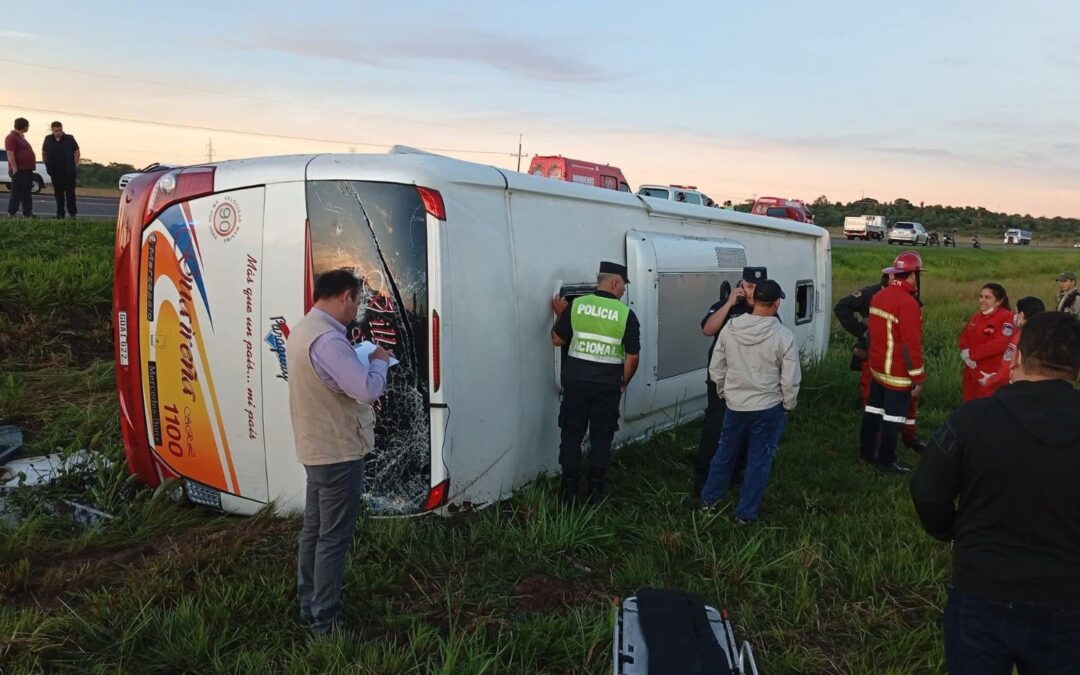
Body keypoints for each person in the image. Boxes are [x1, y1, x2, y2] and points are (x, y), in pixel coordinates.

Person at [910, 312, 1080, 673]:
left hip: (982, 590)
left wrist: (950, 531)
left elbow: (926, 490)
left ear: (1016, 356)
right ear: (1077, 367)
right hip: (1068, 597)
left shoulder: (972, 419)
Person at [286, 269, 391, 637]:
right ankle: (327, 623)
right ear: (345, 295)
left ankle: (308, 604)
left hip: (316, 449)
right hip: (338, 452)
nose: (357, 309)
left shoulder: (303, 329)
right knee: (333, 538)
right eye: (358, 301)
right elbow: (365, 390)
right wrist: (378, 360)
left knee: (314, 531)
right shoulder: (329, 341)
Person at [700, 280, 800, 523]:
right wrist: (788, 405)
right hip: (768, 408)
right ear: (776, 303)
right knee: (758, 462)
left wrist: (725, 393)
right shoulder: (783, 335)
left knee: (724, 454)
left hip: (735, 406)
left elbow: (717, 367)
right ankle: (744, 515)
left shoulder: (731, 327)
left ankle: (709, 502)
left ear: (755, 301)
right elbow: (790, 379)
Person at [551, 261, 641, 505]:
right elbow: (632, 356)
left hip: (576, 384)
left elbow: (557, 340)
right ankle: (596, 492)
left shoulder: (577, 306)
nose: (623, 290)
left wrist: (560, 315)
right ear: (614, 282)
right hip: (607, 386)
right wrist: (624, 381)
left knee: (571, 435)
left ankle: (568, 491)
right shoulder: (626, 315)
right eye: (623, 285)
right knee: (601, 437)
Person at [693, 266, 768, 494]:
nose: (752, 292)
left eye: (757, 288)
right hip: (722, 379)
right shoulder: (724, 307)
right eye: (748, 287)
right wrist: (728, 304)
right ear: (741, 286)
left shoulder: (767, 310)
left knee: (746, 429)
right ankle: (702, 478)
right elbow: (707, 329)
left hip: (751, 380)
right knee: (715, 427)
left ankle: (735, 474)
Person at [834, 268, 925, 452]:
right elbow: (841, 307)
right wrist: (862, 332)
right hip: (877, 358)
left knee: (907, 404)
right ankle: (878, 446)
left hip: (894, 359)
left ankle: (908, 436)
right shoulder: (873, 294)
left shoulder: (902, 297)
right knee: (875, 403)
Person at [859, 251, 925, 474]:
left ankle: (867, 451)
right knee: (893, 418)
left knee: (873, 411)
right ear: (913, 275)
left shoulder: (880, 296)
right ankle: (887, 460)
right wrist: (917, 377)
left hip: (877, 369)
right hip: (897, 373)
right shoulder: (907, 303)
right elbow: (910, 346)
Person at [957, 283, 1013, 402]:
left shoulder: (1007, 317)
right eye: (981, 296)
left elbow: (1000, 343)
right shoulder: (976, 317)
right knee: (969, 408)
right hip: (971, 373)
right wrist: (965, 353)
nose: (982, 300)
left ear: (999, 301)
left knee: (987, 409)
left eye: (988, 298)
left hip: (989, 374)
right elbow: (964, 337)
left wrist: (972, 354)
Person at [979, 296, 1045, 392]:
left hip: (1021, 388)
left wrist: (989, 380)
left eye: (1016, 313)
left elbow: (1007, 369)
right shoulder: (1047, 335)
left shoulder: (1020, 338)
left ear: (1022, 314)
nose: (1015, 316)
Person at [41, 121, 79, 219]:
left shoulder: (69, 138)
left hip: (68, 172)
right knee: (58, 194)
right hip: (55, 172)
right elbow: (44, 152)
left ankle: (72, 214)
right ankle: (60, 214)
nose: (58, 132)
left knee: (70, 194)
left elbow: (77, 151)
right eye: (56, 130)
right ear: (52, 130)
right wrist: (47, 164)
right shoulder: (48, 139)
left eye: (60, 130)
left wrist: (74, 163)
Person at [5, 117, 35, 218]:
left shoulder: (21, 137)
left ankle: (28, 213)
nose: (28, 128)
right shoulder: (11, 137)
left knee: (27, 193)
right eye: (28, 126)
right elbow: (10, 153)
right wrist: (15, 169)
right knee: (16, 193)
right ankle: (11, 213)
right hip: (19, 170)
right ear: (24, 126)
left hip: (27, 170)